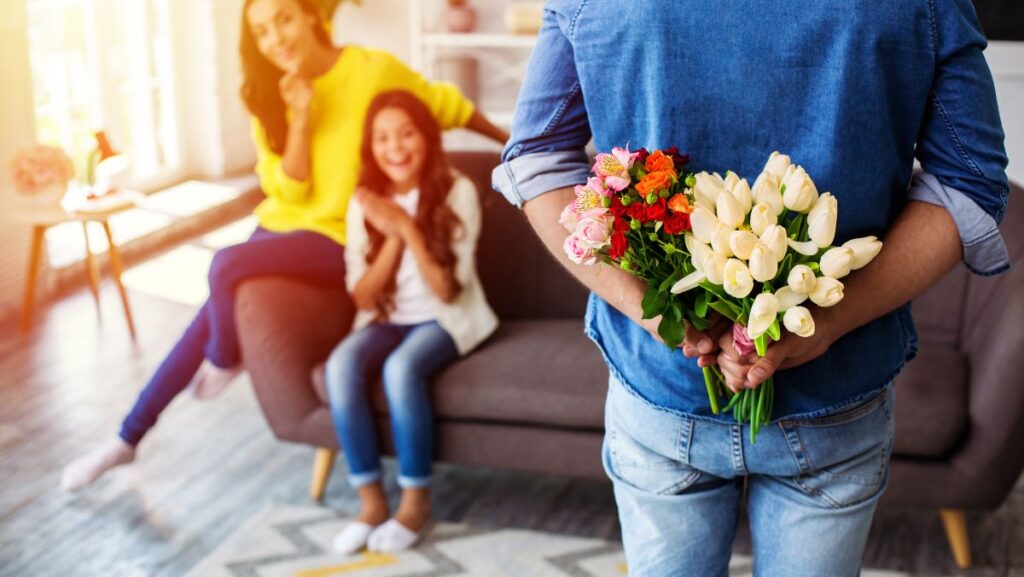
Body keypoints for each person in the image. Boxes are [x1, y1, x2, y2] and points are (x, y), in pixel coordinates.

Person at [491, 1, 1009, 575]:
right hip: (831, 394)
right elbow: (970, 182)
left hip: (663, 384)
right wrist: (825, 323)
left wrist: (664, 316)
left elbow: (538, 160)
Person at [61, 0, 507, 492]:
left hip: (336, 235)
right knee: (207, 311)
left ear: (310, 16)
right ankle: (128, 436)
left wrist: (516, 145)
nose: (277, 38)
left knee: (225, 264)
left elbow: (448, 106)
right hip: (281, 225)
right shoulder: (266, 93)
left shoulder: (371, 70)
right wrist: (299, 115)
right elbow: (289, 190)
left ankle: (225, 357)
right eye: (262, 31)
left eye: (284, 20)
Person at [323, 90, 497, 555]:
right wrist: (394, 233)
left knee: (401, 370)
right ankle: (372, 503)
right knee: (341, 365)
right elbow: (362, 294)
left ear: (426, 137)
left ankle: (415, 502)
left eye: (406, 133)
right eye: (382, 138)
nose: (395, 147)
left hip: (443, 319)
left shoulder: (458, 189)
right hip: (385, 319)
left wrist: (406, 225)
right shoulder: (364, 201)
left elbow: (446, 290)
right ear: (370, 146)